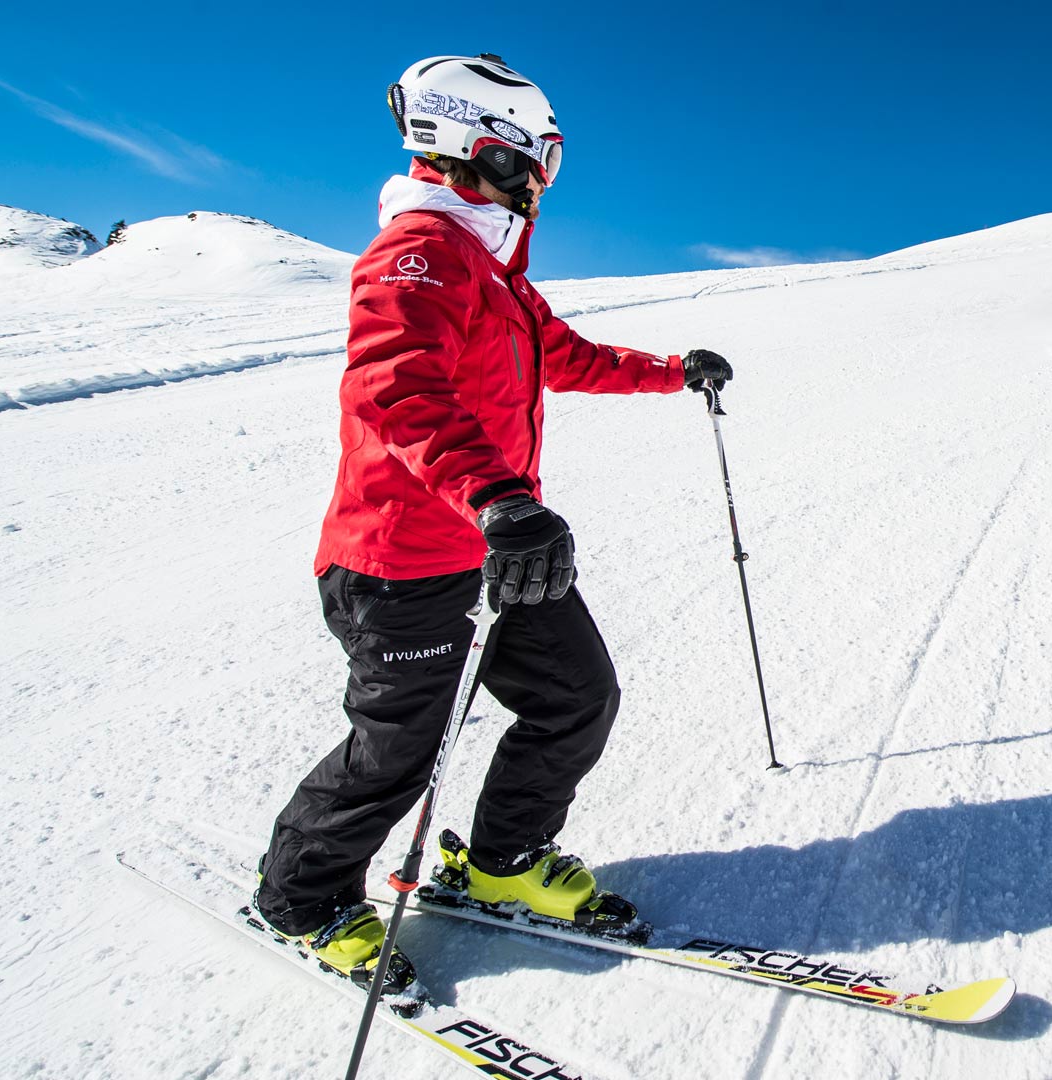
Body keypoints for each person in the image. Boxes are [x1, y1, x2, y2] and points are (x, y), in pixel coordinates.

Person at [252, 53, 735, 990]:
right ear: (482, 147)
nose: (545, 182)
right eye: (539, 158)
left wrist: (673, 369)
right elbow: (397, 388)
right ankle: (301, 896)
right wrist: (499, 496)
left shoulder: (493, 272)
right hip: (400, 560)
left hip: (493, 549)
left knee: (575, 697)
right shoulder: (420, 252)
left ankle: (502, 861)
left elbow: (569, 355)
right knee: (397, 750)